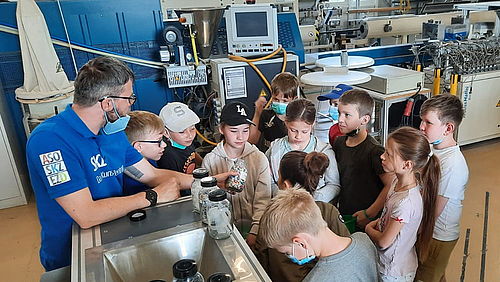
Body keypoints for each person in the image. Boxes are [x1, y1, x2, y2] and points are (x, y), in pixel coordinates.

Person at [26, 56, 232, 271]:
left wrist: (208, 182)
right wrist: (152, 196)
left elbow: (151, 175)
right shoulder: (49, 142)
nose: (130, 105)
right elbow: (86, 214)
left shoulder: (111, 133)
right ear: (108, 103)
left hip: (113, 235)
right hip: (71, 256)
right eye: (128, 98)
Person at [253, 150, 350, 282]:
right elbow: (345, 254)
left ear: (286, 185)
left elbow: (260, 260)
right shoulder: (329, 211)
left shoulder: (272, 219)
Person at [365, 126, 440, 281]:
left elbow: (384, 242)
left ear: (407, 165)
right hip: (388, 263)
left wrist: (368, 228)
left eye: (389, 155)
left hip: (393, 272)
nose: (382, 157)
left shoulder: (406, 202)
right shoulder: (395, 182)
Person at [259, 188, 379, 282]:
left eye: (288, 253)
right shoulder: (363, 240)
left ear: (300, 242)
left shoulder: (316, 279)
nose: (290, 257)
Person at [202, 101, 272, 247]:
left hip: (255, 231)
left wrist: (255, 230)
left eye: (245, 130)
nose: (240, 137)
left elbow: (263, 199)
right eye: (234, 131)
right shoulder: (210, 160)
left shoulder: (258, 158)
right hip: (222, 231)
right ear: (221, 129)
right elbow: (205, 199)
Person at [415, 94, 469, 282]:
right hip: (429, 231)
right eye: (422, 120)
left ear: (448, 128)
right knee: (435, 275)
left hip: (437, 235)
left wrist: (414, 231)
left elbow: (434, 210)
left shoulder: (453, 164)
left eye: (428, 123)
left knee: (426, 276)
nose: (421, 126)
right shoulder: (433, 149)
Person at [332, 89, 394, 230]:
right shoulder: (339, 143)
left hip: (367, 219)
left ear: (365, 119)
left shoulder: (374, 151)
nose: (340, 119)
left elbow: (390, 184)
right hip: (346, 214)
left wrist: (369, 213)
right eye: (339, 113)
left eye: (347, 115)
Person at [266, 98, 340, 200]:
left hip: (315, 208)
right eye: (293, 130)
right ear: (286, 122)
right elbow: (268, 181)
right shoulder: (275, 149)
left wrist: (311, 199)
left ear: (312, 124)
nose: (298, 136)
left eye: (304, 131)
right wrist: (283, 196)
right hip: (283, 207)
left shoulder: (324, 151)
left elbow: (334, 185)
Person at [157, 102, 203, 196]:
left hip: (192, 186)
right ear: (166, 132)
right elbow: (172, 185)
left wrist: (205, 164)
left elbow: (192, 153)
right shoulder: (167, 156)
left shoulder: (184, 141)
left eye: (192, 128)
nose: (190, 135)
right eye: (181, 131)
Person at [248, 72, 300, 152]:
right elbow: (251, 140)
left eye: (284, 101)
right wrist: (258, 112)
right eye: (276, 99)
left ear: (294, 99)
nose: (279, 103)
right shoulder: (266, 115)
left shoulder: (298, 117)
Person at [123, 110, 167, 195]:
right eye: (158, 141)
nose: (164, 145)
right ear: (138, 147)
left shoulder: (150, 159)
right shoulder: (132, 183)